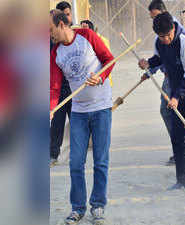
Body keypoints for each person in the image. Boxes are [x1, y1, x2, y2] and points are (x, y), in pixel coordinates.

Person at [50, 11, 114, 224]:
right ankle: (78, 208)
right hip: (78, 111)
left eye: (50, 30)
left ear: (61, 24)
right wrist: (50, 108)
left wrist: (101, 76)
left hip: (101, 107)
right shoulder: (55, 53)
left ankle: (98, 206)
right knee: (76, 163)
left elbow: (109, 60)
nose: (49, 35)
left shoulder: (86, 36)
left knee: (100, 161)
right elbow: (55, 87)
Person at [138, 12, 185, 192]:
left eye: (167, 36)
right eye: (161, 36)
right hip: (175, 90)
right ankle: (182, 180)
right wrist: (148, 63)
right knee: (177, 136)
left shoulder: (184, 41)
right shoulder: (159, 42)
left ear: (173, 28)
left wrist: (176, 97)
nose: (165, 39)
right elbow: (159, 58)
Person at [145, 0, 185, 165]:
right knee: (167, 111)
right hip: (169, 76)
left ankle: (182, 147)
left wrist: (176, 93)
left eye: (155, 16)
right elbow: (160, 56)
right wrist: (150, 68)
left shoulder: (176, 31)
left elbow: (181, 60)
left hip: (183, 79)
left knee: (172, 111)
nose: (154, 22)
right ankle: (181, 147)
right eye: (152, 18)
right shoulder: (160, 34)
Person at [49, 2, 73, 166]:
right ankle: (52, 154)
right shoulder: (52, 38)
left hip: (73, 86)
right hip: (56, 87)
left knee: (77, 122)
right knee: (56, 122)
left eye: (68, 13)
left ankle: (78, 152)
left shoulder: (76, 35)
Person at [80, 19, 113, 86]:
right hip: (89, 82)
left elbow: (108, 59)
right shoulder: (81, 42)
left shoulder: (102, 40)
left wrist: (100, 77)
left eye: (83, 29)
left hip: (101, 79)